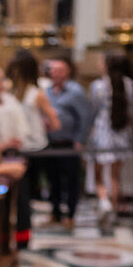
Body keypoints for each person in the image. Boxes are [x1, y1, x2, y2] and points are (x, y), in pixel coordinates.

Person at [6, 51, 60, 247]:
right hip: (19, 148)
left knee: (25, 195)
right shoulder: (10, 93)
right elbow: (55, 123)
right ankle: (21, 235)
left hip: (34, 149)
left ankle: (23, 235)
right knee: (22, 197)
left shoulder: (35, 94)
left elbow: (55, 122)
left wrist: (41, 124)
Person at [44, 57, 92, 226]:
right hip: (50, 143)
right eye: (53, 70)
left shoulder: (75, 92)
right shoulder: (46, 91)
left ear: (67, 73)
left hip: (69, 143)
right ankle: (55, 212)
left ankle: (70, 215)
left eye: (60, 71)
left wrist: (80, 139)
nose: (55, 74)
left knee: (71, 180)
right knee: (53, 180)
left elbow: (85, 117)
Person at [88, 53, 133, 222]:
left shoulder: (98, 86)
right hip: (121, 131)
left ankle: (104, 201)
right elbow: (132, 110)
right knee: (115, 176)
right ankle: (113, 212)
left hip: (102, 132)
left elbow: (93, 111)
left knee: (98, 174)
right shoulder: (129, 84)